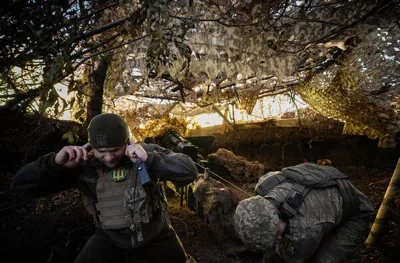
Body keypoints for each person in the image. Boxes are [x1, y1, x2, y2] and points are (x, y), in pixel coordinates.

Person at [11, 113, 198, 263]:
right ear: (91, 146)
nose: (109, 158)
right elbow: (21, 186)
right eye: (102, 152)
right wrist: (54, 164)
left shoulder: (144, 152)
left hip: (157, 235)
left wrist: (151, 160)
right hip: (110, 239)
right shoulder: (82, 164)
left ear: (127, 142)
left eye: (115, 150)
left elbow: (189, 171)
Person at [233, 162, 376, 263]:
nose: (278, 237)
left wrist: (281, 250)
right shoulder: (265, 184)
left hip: (356, 212)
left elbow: (294, 258)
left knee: (323, 259)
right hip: (325, 201)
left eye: (276, 233)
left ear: (276, 214)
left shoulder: (303, 229)